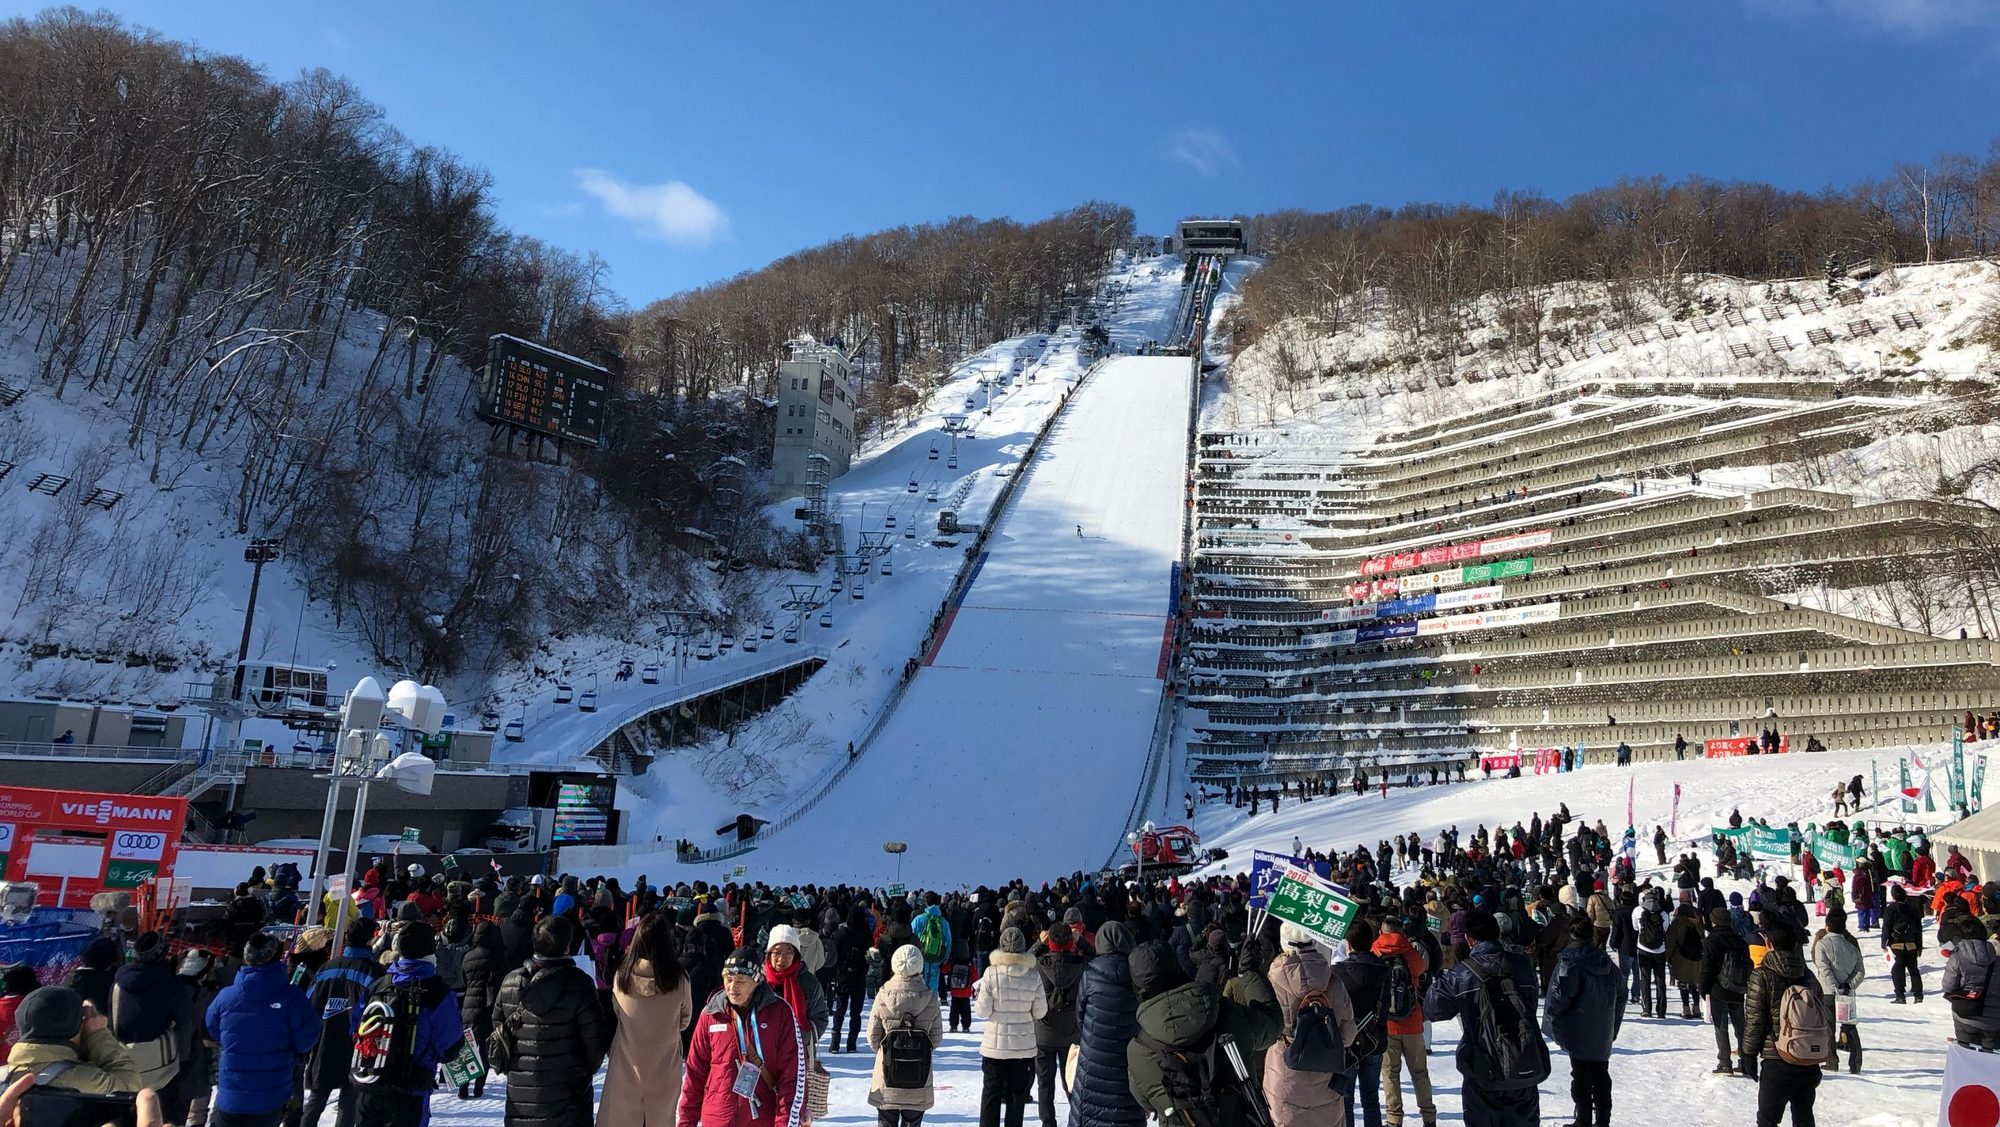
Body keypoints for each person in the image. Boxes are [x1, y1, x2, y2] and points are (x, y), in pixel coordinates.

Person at [1125, 941, 1279, 1127]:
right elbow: (1273, 1025)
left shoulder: (1139, 1050)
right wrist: (1249, 973)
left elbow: (1145, 1100)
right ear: (1178, 969)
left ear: (1138, 987)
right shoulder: (1226, 1014)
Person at [1424, 910, 1542, 1127]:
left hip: (1481, 1064)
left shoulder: (1462, 973)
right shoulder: (1522, 965)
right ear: (1498, 934)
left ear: (1469, 939)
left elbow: (1433, 1008)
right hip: (1523, 1058)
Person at [491, 915, 608, 1127]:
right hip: (568, 1094)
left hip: (521, 1092)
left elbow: (498, 1027)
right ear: (566, 945)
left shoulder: (511, 981)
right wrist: (579, 1072)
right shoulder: (580, 984)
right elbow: (595, 1045)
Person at [350, 921, 464, 1127]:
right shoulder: (439, 994)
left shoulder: (379, 985)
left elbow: (356, 1026)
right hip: (411, 1088)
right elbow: (450, 1046)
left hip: (372, 1081)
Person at [681, 947, 804, 1126]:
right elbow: (694, 1074)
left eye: (740, 981)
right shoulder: (711, 1014)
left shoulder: (780, 1013)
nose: (732, 987)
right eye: (728, 980)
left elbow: (792, 1077)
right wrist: (686, 1122)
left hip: (763, 1118)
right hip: (718, 1117)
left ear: (756, 981)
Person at [208, 932, 318, 1127]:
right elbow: (305, 1040)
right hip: (270, 1093)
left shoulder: (225, 997)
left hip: (230, 1093)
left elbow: (212, 1029)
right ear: (277, 958)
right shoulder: (292, 997)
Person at [600, 912, 693, 1126]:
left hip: (627, 1063)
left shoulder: (622, 975)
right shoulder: (679, 979)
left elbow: (617, 1012)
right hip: (664, 1066)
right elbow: (685, 1020)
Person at [1264, 920, 1358, 1127]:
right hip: (1326, 1073)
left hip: (1284, 1072)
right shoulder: (1333, 982)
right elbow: (1348, 1035)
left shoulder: (1270, 982)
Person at [1743, 921, 1827, 1127]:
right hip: (1807, 1057)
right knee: (1804, 1116)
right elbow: (1821, 1012)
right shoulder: (1807, 975)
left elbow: (1755, 1018)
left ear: (1769, 943)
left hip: (1776, 1058)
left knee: (1768, 1120)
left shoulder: (1762, 974)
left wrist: (1748, 1054)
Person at [1542, 915, 1620, 1127]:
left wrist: (1551, 1019)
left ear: (1572, 934)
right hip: (1602, 1026)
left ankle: (1584, 1119)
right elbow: (1620, 992)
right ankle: (1603, 1120)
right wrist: (1614, 1025)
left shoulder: (1570, 961)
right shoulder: (1605, 961)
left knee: (1582, 1074)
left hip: (1578, 1025)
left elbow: (1561, 995)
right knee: (1601, 1072)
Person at [302, 918, 379, 1127]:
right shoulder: (375, 972)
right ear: (371, 940)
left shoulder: (326, 968)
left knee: (316, 1099)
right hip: (356, 1046)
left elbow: (308, 1003)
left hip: (323, 1041)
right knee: (349, 1101)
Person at [1067, 920, 1142, 1127]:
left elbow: (1080, 1018)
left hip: (1093, 1062)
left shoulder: (1089, 975)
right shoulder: (1140, 976)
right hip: (1129, 1065)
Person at [2, 986, 141, 1094]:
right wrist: (98, 1035)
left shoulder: (5, 1076)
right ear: (77, 1026)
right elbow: (130, 1085)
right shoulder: (84, 1080)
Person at [975, 927, 1045, 1127]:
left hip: (994, 1046)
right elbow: (1040, 1011)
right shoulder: (1033, 975)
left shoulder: (991, 973)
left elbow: (982, 1010)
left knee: (991, 1093)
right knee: (1017, 1096)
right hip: (1022, 1046)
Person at [1372, 917, 1437, 1127]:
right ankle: (1428, 1116)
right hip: (1412, 1021)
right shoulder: (1410, 951)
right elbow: (1420, 971)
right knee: (1419, 1072)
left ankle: (1394, 1118)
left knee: (1390, 1073)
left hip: (1386, 1022)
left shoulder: (1375, 950)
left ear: (1382, 932)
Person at [110, 931, 192, 1094]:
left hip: (125, 1063)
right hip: (162, 1066)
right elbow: (185, 1019)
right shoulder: (171, 985)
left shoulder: (119, 983)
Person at [1031, 921, 1089, 1127]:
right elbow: (1098, 959)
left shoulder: (1038, 964)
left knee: (1045, 1083)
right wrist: (1080, 940)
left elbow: (1023, 962)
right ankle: (1077, 1118)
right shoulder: (1081, 966)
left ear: (1050, 942)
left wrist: (1039, 943)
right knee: (1072, 1081)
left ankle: (1048, 1122)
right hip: (1071, 1033)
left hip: (1043, 1032)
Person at [1333, 919, 1389, 1127]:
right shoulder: (1384, 970)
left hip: (1347, 1042)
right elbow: (1385, 1006)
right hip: (1375, 1039)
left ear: (1348, 944)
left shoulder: (1338, 972)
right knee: (1371, 1099)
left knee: (1346, 1100)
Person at [1699, 906, 1755, 1076]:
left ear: (1714, 921)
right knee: (1741, 1026)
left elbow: (1707, 968)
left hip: (1718, 989)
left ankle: (1725, 1062)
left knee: (1721, 1026)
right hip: (1737, 988)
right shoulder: (1740, 940)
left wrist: (1704, 988)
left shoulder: (1710, 942)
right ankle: (1745, 1061)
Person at [457, 921, 506, 1100]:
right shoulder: (496, 957)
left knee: (467, 1046)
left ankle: (463, 1088)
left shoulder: (468, 956)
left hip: (468, 1005)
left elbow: (463, 980)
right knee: (484, 1049)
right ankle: (479, 1087)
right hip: (487, 1006)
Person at [1942, 918, 2000, 1049]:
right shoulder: (1997, 961)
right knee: (1990, 1062)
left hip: (1965, 1014)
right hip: (1993, 1019)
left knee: (1966, 1058)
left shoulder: (1957, 958)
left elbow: (1948, 986)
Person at [1882, 884, 1925, 1003]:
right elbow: (1918, 929)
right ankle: (1918, 994)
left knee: (1897, 971)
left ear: (1893, 896)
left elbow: (1887, 927)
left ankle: (1900, 995)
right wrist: (1919, 946)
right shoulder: (1912, 909)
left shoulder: (1891, 909)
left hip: (1896, 944)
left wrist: (1884, 942)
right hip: (1911, 944)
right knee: (1914, 970)